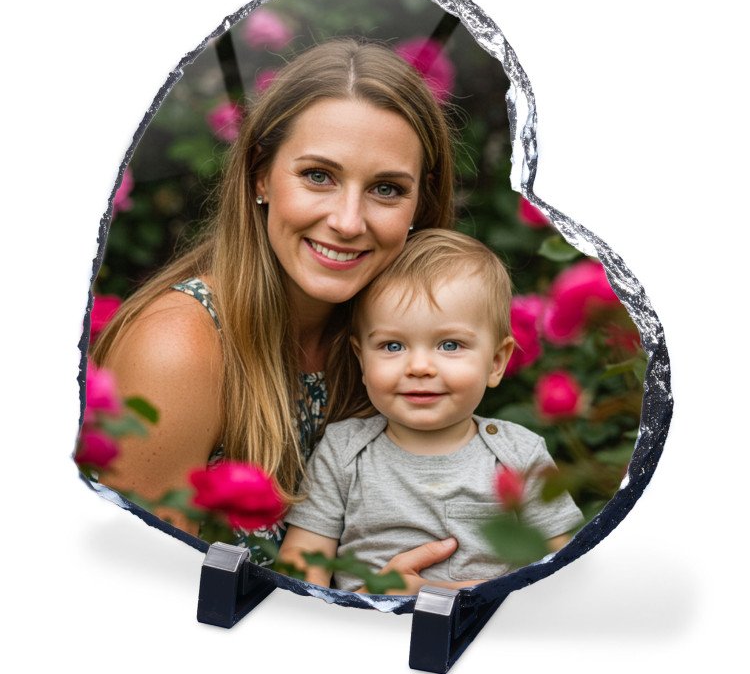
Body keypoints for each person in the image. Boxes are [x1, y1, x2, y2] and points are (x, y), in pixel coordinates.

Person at [91, 38, 476, 584]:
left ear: (420, 204)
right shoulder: (179, 349)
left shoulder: (397, 348)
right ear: (260, 175)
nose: (347, 221)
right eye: (319, 176)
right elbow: (136, 594)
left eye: (387, 189)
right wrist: (360, 611)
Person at [279, 229, 585, 591]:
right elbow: (302, 561)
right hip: (367, 621)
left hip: (492, 623)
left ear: (496, 362)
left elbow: (563, 569)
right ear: (362, 359)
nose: (419, 367)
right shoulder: (344, 451)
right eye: (393, 346)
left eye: (450, 345)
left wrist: (454, 595)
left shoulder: (519, 454)